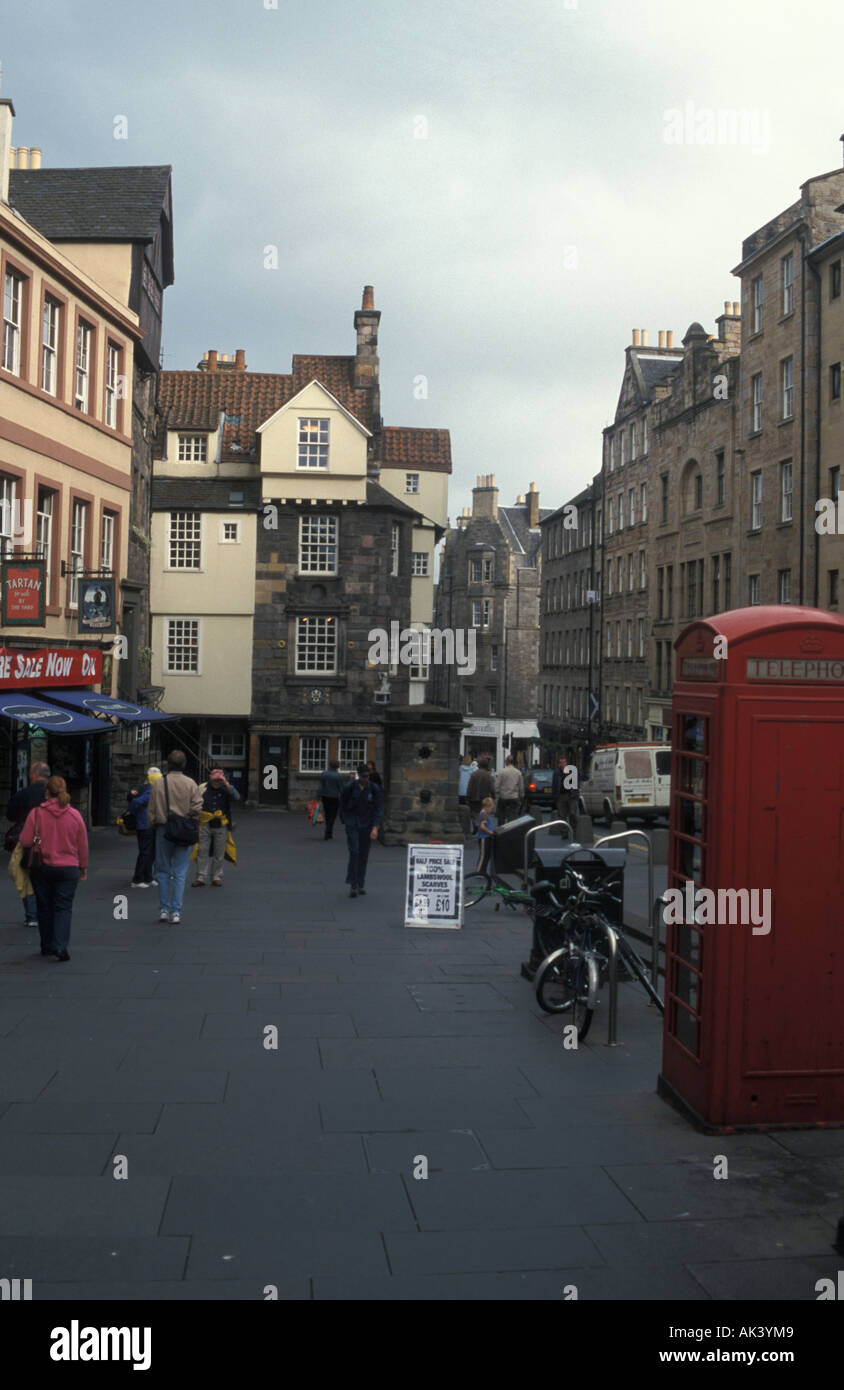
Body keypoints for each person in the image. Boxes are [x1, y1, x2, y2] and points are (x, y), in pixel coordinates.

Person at [19, 775, 87, 962]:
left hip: (42, 866)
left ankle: (46, 945)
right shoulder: (74, 815)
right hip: (68, 867)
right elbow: (82, 844)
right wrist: (83, 867)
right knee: (63, 907)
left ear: (47, 792)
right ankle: (61, 945)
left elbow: (25, 840)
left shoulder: (36, 814)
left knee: (44, 906)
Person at [148, 750, 202, 924]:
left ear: (168, 764)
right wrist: (188, 816)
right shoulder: (191, 783)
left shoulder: (159, 784)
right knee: (180, 871)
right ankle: (176, 911)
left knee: (163, 871)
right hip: (184, 829)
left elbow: (151, 810)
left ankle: (164, 909)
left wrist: (153, 824)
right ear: (184, 764)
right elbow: (198, 806)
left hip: (164, 829)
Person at [6, 761, 50, 927]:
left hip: (30, 838)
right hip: (52, 839)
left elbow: (10, 813)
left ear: (34, 775)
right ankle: (46, 912)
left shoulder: (25, 793)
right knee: (46, 876)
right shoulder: (55, 792)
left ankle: (32, 915)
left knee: (23, 872)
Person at [340, 763, 383, 898]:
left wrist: (375, 827)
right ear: (359, 776)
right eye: (364, 776)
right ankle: (353, 884)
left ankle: (360, 883)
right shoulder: (349, 787)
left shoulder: (374, 788)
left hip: (367, 825)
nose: (366, 779)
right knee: (355, 852)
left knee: (363, 855)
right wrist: (345, 821)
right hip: (353, 824)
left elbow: (378, 808)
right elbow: (342, 804)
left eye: (368, 776)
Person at [193, 768, 240, 886]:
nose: (217, 782)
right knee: (202, 850)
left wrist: (226, 783)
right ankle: (201, 877)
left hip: (221, 824)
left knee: (219, 852)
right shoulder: (203, 788)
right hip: (205, 823)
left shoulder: (226, 788)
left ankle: (216, 876)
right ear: (210, 778)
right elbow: (194, 802)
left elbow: (237, 797)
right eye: (215, 780)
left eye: (219, 780)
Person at [128, 767, 162, 888]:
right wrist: (133, 812)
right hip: (145, 824)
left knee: (150, 851)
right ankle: (137, 880)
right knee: (146, 852)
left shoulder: (150, 789)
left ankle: (147, 877)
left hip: (148, 824)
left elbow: (135, 803)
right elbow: (136, 802)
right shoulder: (151, 791)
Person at [552, 753, 580, 837]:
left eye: (564, 762)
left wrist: (575, 794)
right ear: (559, 764)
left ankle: (574, 831)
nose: (563, 764)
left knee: (572, 813)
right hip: (561, 795)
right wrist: (555, 797)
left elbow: (576, 783)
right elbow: (554, 785)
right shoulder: (556, 773)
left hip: (571, 795)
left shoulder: (571, 771)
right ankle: (564, 833)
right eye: (561, 763)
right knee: (562, 815)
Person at [466, 754, 495, 831]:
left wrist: (468, 797)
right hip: (484, 797)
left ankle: (475, 823)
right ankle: (481, 826)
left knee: (474, 813)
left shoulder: (474, 774)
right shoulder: (489, 775)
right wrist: (493, 796)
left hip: (474, 797)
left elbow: (470, 786)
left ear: (479, 765)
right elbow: (492, 788)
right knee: (483, 813)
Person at [495, 755, 525, 826]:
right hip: (514, 797)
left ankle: (501, 829)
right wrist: (521, 796)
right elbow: (521, 787)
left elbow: (496, 785)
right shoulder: (518, 772)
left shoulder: (502, 772)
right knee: (513, 815)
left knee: (501, 815)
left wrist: (497, 793)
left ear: (506, 762)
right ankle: (510, 829)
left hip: (503, 797)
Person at [318, 760, 344, 840]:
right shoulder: (338, 776)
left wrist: (318, 796)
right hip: (334, 797)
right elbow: (341, 788)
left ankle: (328, 830)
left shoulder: (324, 773)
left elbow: (321, 785)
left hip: (325, 796)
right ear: (337, 767)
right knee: (333, 814)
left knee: (327, 813)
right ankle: (329, 830)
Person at [475, 796, 497, 874]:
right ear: (487, 806)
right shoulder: (484, 814)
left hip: (486, 837)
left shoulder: (485, 813)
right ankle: (479, 871)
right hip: (484, 838)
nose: (492, 810)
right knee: (483, 855)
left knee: (486, 855)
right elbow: (482, 826)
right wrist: (490, 832)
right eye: (491, 808)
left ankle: (482, 871)